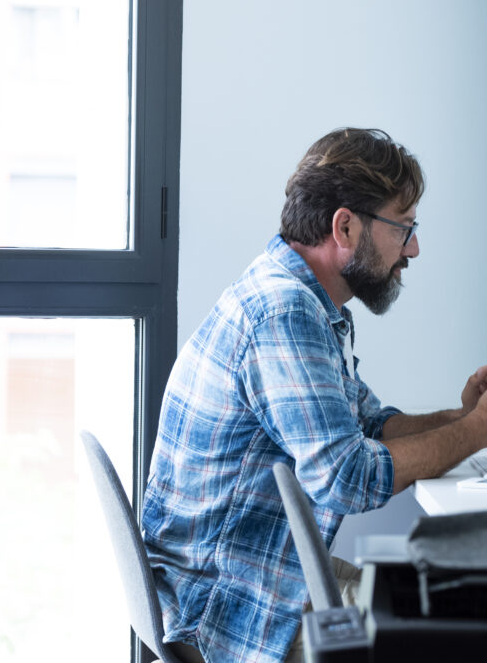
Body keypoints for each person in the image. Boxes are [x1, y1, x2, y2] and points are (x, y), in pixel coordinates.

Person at [141, 127, 487, 663]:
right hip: (232, 609)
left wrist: (462, 417)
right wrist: (474, 432)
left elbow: (371, 425)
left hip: (259, 574)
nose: (413, 248)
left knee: (455, 607)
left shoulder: (303, 301)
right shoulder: (285, 313)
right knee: (454, 637)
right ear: (345, 226)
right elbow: (346, 478)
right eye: (405, 227)